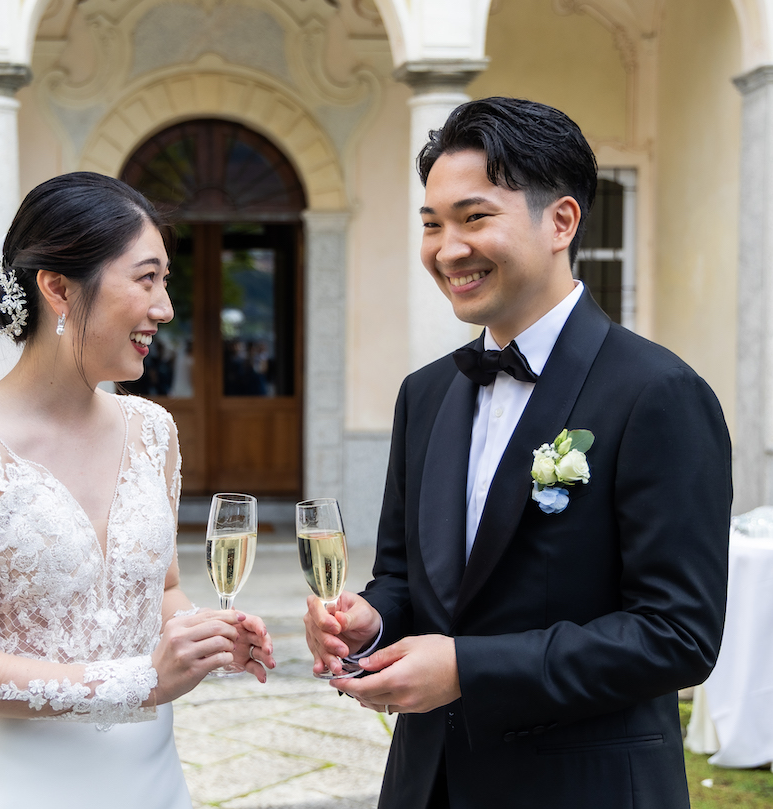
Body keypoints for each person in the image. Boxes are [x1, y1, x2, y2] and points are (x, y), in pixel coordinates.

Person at [304, 97, 731, 808]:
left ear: (561, 221)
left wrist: (467, 668)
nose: (447, 250)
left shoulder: (658, 392)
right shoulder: (425, 394)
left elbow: (677, 634)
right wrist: (368, 620)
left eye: (474, 218)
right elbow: (406, 579)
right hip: (427, 784)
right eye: (432, 224)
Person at [0, 171, 275, 809]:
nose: (165, 309)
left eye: (165, 281)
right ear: (58, 288)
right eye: (146, 279)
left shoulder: (154, 432)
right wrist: (143, 681)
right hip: (9, 784)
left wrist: (204, 635)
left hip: (149, 777)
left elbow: (161, 589)